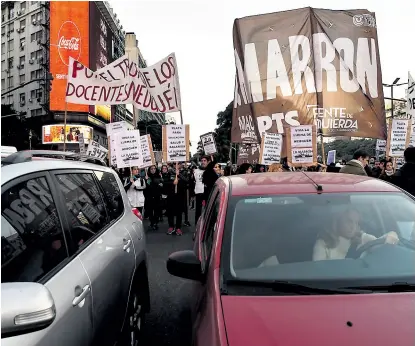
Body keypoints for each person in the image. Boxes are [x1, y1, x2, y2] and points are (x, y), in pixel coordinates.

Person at [312, 209, 399, 260]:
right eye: (349, 221)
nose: (353, 226)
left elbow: (382, 241)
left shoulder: (362, 238)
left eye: (356, 223)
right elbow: (317, 270)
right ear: (338, 221)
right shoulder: (324, 242)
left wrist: (392, 234)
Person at [166, 163, 189, 236]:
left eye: (178, 164)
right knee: (170, 212)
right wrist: (172, 183)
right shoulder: (169, 172)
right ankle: (171, 226)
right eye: (175, 164)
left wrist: (179, 175)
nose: (177, 165)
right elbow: (165, 182)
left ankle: (178, 227)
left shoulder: (184, 172)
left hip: (180, 195)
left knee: (179, 212)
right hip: (171, 195)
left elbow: (187, 181)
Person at [193, 155, 210, 225]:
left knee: (208, 210)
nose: (203, 162)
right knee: (198, 211)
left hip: (208, 193)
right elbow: (193, 181)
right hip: (199, 193)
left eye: (204, 161)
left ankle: (207, 224)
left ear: (208, 162)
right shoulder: (196, 171)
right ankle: (197, 225)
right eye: (202, 161)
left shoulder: (210, 171)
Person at [145, 165, 163, 230]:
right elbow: (146, 188)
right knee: (150, 210)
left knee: (157, 210)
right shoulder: (147, 177)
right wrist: (146, 180)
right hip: (149, 197)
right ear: (149, 170)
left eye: (154, 169)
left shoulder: (158, 176)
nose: (153, 170)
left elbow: (161, 185)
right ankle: (152, 222)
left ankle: (155, 222)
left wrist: (161, 182)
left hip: (156, 196)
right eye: (151, 169)